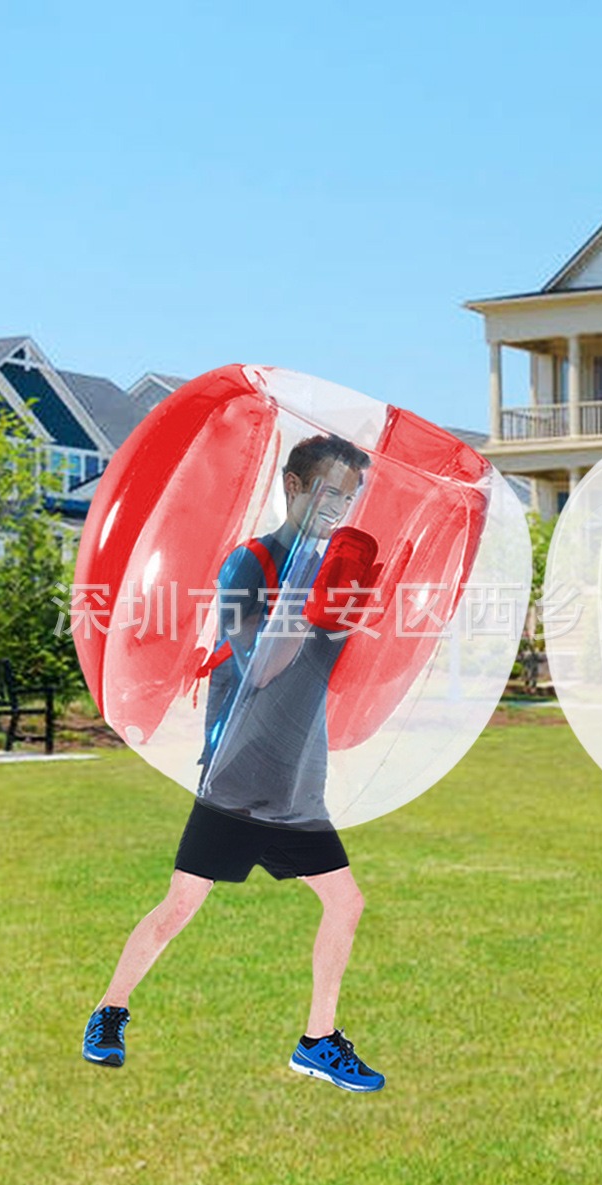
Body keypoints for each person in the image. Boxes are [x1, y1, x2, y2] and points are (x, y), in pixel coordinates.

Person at [82, 434, 387, 1092]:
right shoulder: (249, 564)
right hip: (239, 773)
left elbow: (338, 676)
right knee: (181, 905)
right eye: (329, 491)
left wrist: (354, 608)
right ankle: (109, 1010)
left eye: (350, 496)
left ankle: (318, 1040)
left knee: (345, 902)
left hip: (296, 774)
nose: (339, 506)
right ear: (294, 487)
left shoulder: (330, 562)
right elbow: (261, 666)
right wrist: (318, 608)